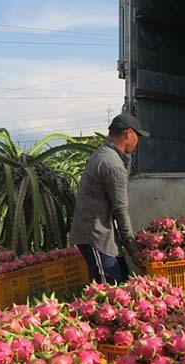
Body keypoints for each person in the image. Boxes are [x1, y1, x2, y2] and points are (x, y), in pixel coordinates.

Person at [70, 113, 148, 284]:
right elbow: (120, 211)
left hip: (99, 234)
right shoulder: (113, 164)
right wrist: (133, 249)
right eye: (137, 135)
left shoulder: (103, 154)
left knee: (122, 280)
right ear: (128, 133)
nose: (138, 141)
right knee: (109, 291)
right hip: (95, 236)